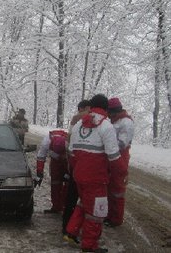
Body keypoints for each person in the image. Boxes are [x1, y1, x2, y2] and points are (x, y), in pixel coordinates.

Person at [65, 94, 124, 253]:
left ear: (91, 107)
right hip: (96, 178)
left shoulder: (78, 125)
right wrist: (121, 174)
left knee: (83, 204)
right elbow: (113, 156)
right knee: (97, 212)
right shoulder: (106, 126)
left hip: (79, 175)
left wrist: (75, 170)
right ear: (105, 108)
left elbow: (70, 152)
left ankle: (71, 232)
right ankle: (89, 246)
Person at [62, 100, 91, 239]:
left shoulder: (75, 118)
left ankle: (66, 226)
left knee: (71, 197)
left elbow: (68, 141)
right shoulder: (93, 118)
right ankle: (80, 229)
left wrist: (70, 159)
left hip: (74, 161)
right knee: (86, 200)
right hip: (89, 165)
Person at [105, 97, 134, 227]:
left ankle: (116, 219)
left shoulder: (126, 122)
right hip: (111, 156)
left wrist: (106, 144)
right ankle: (109, 214)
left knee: (117, 189)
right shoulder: (114, 121)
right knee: (109, 187)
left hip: (120, 157)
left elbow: (122, 143)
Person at [35, 129, 69, 213]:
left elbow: (74, 158)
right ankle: (56, 206)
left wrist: (69, 171)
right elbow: (41, 157)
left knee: (68, 183)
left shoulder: (69, 142)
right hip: (55, 162)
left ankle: (66, 205)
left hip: (67, 161)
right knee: (55, 182)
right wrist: (39, 173)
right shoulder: (46, 142)